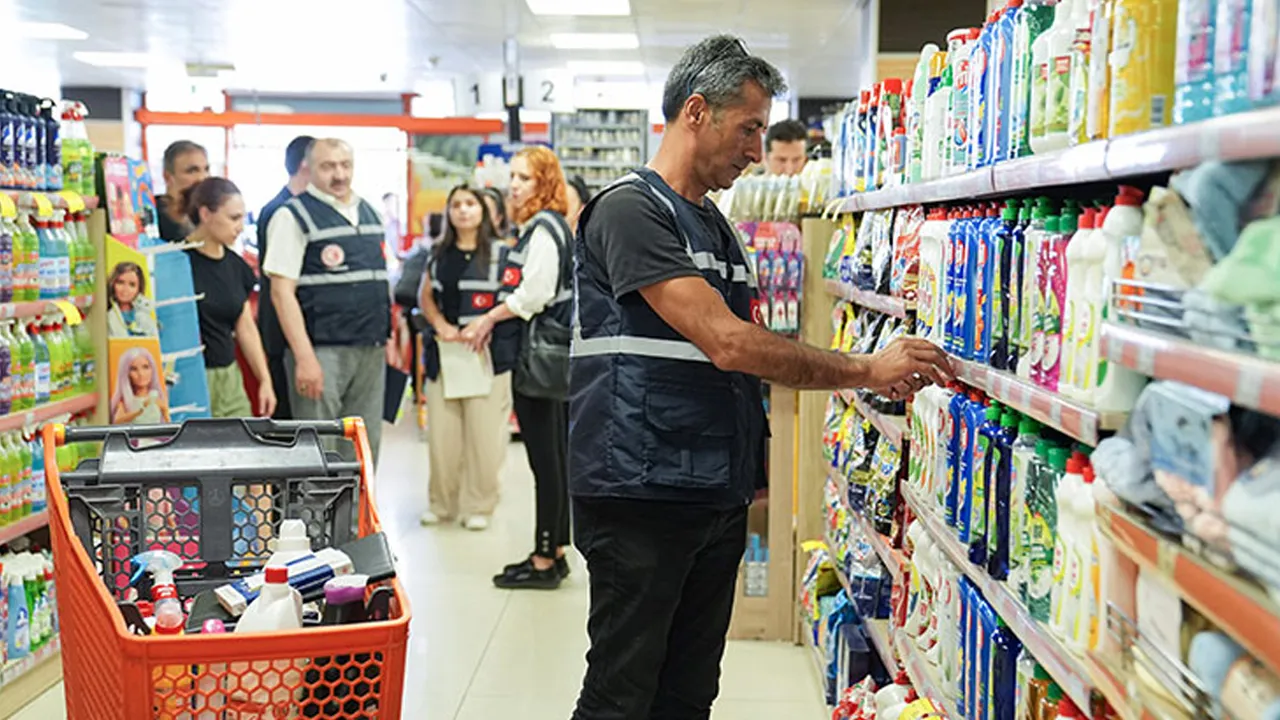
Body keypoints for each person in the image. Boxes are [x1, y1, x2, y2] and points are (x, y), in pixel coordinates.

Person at [569, 35, 953, 719]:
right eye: (747, 128)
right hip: (640, 493)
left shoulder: (713, 225)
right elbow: (727, 343)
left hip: (708, 492)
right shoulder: (632, 209)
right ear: (696, 112)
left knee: (688, 692)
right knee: (622, 695)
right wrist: (864, 367)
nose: (756, 149)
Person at [460, 147, 573, 589]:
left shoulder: (543, 229)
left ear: (544, 182)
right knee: (554, 461)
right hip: (545, 357)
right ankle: (555, 549)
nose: (515, 185)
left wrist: (489, 318)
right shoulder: (538, 228)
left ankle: (545, 558)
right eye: (513, 176)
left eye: (525, 177)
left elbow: (534, 294)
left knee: (546, 463)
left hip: (539, 360)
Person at [263, 138, 393, 463]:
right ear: (308, 168)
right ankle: (317, 517)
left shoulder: (371, 213)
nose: (339, 174)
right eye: (328, 166)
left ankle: (357, 516)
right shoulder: (292, 216)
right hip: (322, 352)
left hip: (370, 347)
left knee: (364, 447)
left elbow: (377, 281)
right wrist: (305, 358)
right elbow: (281, 292)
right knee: (319, 451)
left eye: (345, 165)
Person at [416, 185, 521, 531]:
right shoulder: (438, 254)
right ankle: (442, 503)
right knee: (442, 436)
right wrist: (440, 324)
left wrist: (486, 323)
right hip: (445, 356)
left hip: (488, 357)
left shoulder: (503, 255)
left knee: (484, 436)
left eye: (470, 204)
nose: (463, 211)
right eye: (456, 205)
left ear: (485, 211)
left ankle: (480, 504)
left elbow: (515, 299)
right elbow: (425, 295)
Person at [183, 177, 277, 419]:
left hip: (229, 377)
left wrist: (264, 380)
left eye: (242, 219)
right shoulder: (177, 263)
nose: (240, 227)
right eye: (233, 218)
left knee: (237, 449)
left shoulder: (237, 267)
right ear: (205, 214)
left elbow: (245, 327)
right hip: (189, 378)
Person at [256, 135, 314, 420]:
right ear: (306, 164)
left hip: (300, 328)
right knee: (290, 417)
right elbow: (279, 284)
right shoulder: (282, 211)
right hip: (282, 330)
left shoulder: (302, 207)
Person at [157, 141, 210, 242]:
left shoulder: (206, 215)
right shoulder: (149, 216)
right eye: (192, 171)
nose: (202, 178)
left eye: (206, 169)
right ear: (167, 177)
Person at [111, 347, 170, 425]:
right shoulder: (124, 403)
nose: (141, 374)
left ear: (152, 369)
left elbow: (167, 421)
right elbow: (117, 421)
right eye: (133, 369)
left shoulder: (157, 398)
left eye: (145, 367)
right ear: (126, 374)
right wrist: (140, 411)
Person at [106, 262, 158, 338]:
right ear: (113, 283)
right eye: (120, 282)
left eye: (132, 285)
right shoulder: (107, 314)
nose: (125, 289)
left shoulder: (143, 314)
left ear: (138, 289)